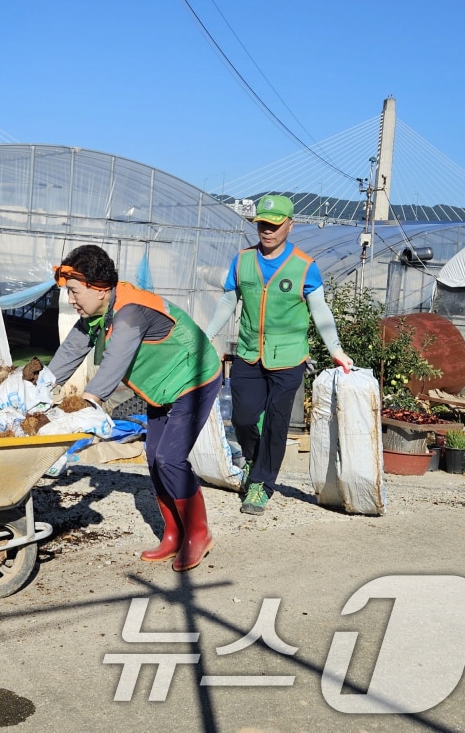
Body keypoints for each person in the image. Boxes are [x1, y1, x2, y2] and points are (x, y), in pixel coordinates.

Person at [48, 245, 222, 572]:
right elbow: (71, 350)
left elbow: (114, 364)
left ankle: (198, 534)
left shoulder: (130, 313)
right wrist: (34, 386)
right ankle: (173, 534)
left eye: (74, 292)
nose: (70, 299)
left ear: (100, 289)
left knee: (170, 458)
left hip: (194, 377)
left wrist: (89, 402)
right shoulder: (97, 313)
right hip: (162, 388)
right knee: (156, 460)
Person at [205, 194, 353, 516]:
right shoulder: (242, 260)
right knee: (243, 418)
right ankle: (254, 460)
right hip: (248, 354)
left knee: (276, 422)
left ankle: (261, 482)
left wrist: (336, 351)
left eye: (273, 225)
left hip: (288, 359)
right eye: (261, 224)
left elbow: (321, 312)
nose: (266, 230)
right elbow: (229, 301)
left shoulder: (304, 267)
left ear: (290, 225)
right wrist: (208, 336)